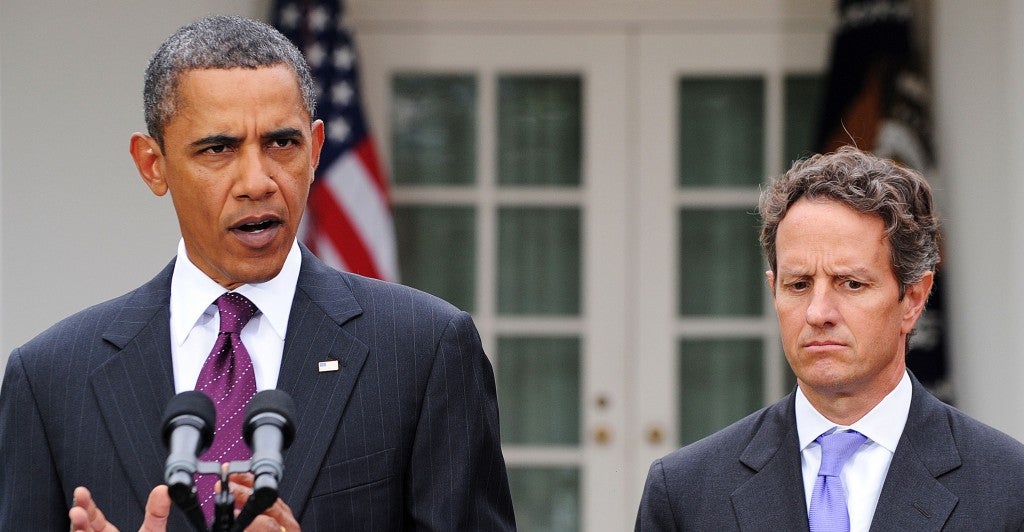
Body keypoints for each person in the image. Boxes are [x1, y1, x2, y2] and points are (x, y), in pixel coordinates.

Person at [0, 15, 515, 531]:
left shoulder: (424, 351)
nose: (257, 181)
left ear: (315, 151)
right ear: (153, 165)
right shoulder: (50, 379)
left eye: (281, 144)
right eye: (218, 149)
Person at [634, 146, 1024, 531]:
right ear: (774, 292)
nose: (818, 313)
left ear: (914, 299)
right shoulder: (685, 493)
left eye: (851, 284)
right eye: (799, 284)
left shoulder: (1008, 487)